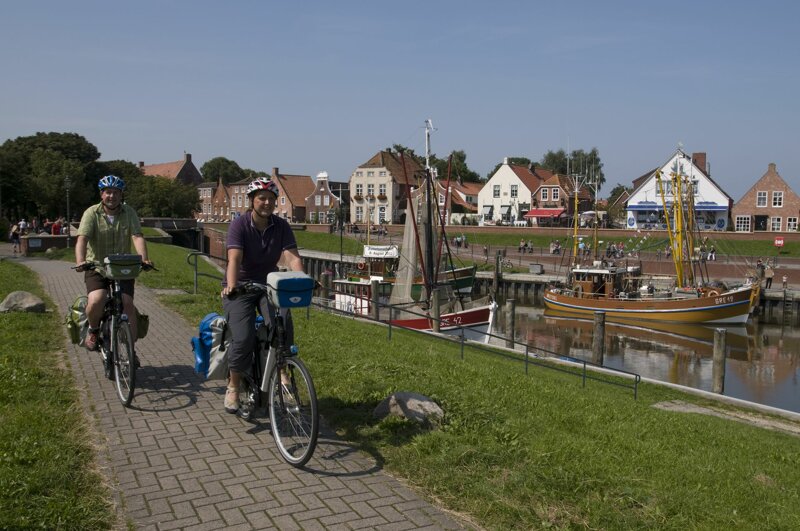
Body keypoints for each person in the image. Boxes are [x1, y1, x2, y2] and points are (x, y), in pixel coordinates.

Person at [220, 177, 306, 415]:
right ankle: (233, 385)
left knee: (282, 326)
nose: (267, 203)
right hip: (241, 287)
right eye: (262, 198)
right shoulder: (239, 225)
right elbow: (234, 258)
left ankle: (282, 374)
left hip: (268, 285)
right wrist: (232, 284)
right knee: (243, 336)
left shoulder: (281, 226)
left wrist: (303, 279)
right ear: (251, 201)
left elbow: (291, 256)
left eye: (271, 199)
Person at [75, 176, 152, 351]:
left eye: (116, 192)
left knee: (127, 303)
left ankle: (131, 352)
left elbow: (137, 236)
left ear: (121, 195)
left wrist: (144, 258)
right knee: (97, 299)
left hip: (122, 266)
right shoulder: (91, 213)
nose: (112, 196)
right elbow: (82, 239)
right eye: (108, 192)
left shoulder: (129, 212)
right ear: (102, 194)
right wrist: (80, 261)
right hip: (97, 266)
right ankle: (94, 330)